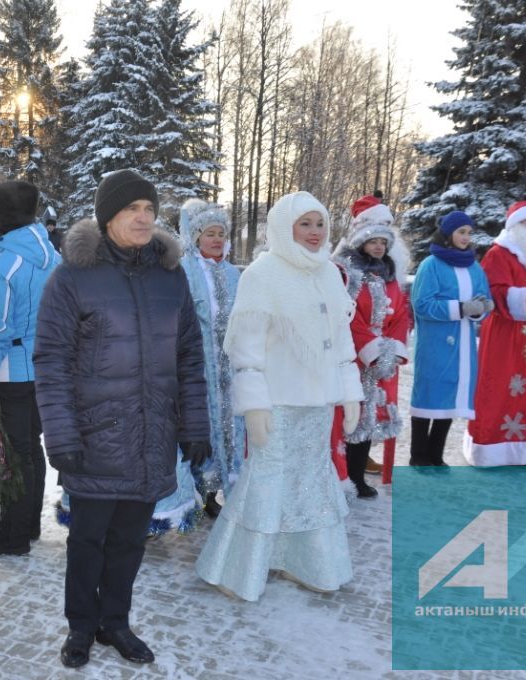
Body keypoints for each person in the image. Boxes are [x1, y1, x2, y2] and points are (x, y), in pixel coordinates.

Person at [35, 169, 210, 668]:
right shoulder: (72, 277)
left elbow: (189, 356)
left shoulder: (169, 276)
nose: (143, 218)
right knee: (87, 539)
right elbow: (51, 360)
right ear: (108, 216)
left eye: (150, 210)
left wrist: (194, 424)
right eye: (132, 209)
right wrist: (62, 433)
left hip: (152, 434)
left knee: (131, 539)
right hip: (94, 436)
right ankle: (80, 627)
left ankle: (116, 622)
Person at [195, 191, 363, 602]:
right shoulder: (262, 274)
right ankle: (236, 571)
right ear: (284, 227)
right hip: (277, 402)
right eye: (304, 224)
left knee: (311, 481)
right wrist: (253, 404)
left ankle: (305, 561)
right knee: (266, 481)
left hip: (318, 403)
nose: (314, 232)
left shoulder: (328, 272)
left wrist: (350, 392)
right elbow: (246, 349)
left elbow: (340, 340)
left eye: (320, 223)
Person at [0, 180, 60, 555]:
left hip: (12, 371)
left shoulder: (2, 267)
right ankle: (26, 521)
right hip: (46, 369)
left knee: (15, 453)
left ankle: (13, 534)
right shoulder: (53, 256)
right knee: (29, 447)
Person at [151, 198, 243, 534]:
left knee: (229, 427)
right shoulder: (183, 271)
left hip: (228, 369)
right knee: (195, 428)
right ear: (195, 236)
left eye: (222, 233)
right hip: (195, 368)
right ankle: (189, 493)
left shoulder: (233, 274)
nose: (217, 240)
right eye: (210, 234)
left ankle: (215, 490)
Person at [466, 202, 526, 466]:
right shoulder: (498, 254)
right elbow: (493, 292)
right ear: (515, 224)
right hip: (506, 333)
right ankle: (493, 447)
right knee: (498, 386)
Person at [333, 195, 410, 497]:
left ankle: (359, 473)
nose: (378, 247)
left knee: (370, 419)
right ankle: (346, 474)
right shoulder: (348, 272)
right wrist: (371, 349)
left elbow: (402, 313)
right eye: (373, 241)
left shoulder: (389, 273)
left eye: (383, 242)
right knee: (350, 416)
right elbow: (349, 314)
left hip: (383, 359)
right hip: (356, 357)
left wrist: (392, 349)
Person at [409, 211, 493, 467]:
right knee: (429, 395)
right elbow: (422, 304)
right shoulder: (431, 265)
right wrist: (459, 308)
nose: (466, 237)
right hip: (436, 343)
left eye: (469, 232)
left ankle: (436, 454)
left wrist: (482, 307)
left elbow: (483, 295)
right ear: (448, 234)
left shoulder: (474, 266)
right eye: (461, 232)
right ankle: (418, 456)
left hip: (464, 343)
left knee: (452, 397)